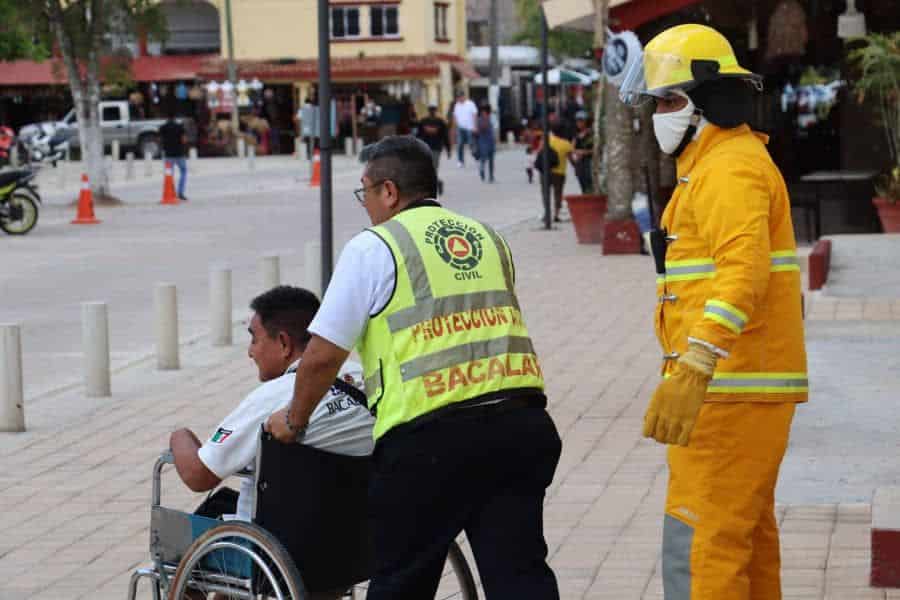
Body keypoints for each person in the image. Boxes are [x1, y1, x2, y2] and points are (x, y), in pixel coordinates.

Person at [267, 136, 562, 599]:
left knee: (402, 581)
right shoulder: (488, 238)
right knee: (519, 578)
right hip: (521, 428)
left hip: (429, 442)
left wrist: (293, 419)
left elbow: (322, 355)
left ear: (388, 191)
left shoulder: (374, 247)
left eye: (364, 192)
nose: (364, 205)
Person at [619, 24, 808, 600]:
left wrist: (697, 362)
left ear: (708, 102)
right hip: (734, 387)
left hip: (729, 388)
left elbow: (743, 271)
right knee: (743, 537)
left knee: (703, 542)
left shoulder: (729, 168)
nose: (660, 115)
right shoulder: (715, 166)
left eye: (670, 101)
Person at [169, 285, 375, 527]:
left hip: (276, 541)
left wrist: (178, 436)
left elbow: (198, 476)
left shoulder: (274, 397)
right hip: (357, 536)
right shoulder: (365, 379)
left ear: (284, 343)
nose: (250, 352)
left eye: (254, 339)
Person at [537, 123, 574, 222]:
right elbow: (571, 159)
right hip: (559, 172)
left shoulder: (547, 140)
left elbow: (539, 151)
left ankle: (547, 213)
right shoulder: (566, 144)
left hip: (545, 171)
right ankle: (556, 214)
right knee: (558, 194)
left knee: (545, 193)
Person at [416, 102, 451, 195]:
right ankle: (436, 184)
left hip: (436, 148)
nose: (432, 111)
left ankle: (435, 186)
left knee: (433, 168)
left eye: (433, 109)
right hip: (425, 148)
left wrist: (448, 149)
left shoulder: (440, 122)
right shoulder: (423, 121)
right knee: (427, 169)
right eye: (430, 109)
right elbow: (418, 136)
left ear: (435, 110)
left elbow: (445, 136)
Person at [159, 110, 188, 201]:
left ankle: (171, 192)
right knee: (183, 171)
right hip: (179, 153)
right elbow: (184, 140)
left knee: (169, 175)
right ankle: (180, 192)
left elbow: (159, 139)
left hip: (168, 154)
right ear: (175, 118)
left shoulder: (163, 127)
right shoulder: (180, 127)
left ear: (166, 118)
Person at [451, 90, 478, 167]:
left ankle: (476, 156)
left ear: (464, 96)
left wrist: (475, 126)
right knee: (459, 145)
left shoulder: (470, 104)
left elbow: (474, 115)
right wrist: (455, 128)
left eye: (460, 97)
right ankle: (460, 161)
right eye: (458, 97)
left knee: (471, 144)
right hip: (460, 128)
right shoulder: (457, 105)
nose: (459, 98)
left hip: (470, 127)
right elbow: (455, 116)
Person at [571, 111, 594, 193]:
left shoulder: (591, 134)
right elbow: (572, 148)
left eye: (581, 121)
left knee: (589, 181)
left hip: (589, 162)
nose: (579, 123)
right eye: (577, 121)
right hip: (579, 163)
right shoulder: (576, 134)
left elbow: (595, 150)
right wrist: (577, 152)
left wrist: (584, 152)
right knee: (582, 181)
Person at [474, 103, 496, 183]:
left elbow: (493, 130)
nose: (484, 113)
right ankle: (482, 169)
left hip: (490, 140)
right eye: (483, 111)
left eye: (485, 111)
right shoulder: (480, 119)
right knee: (484, 158)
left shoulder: (490, 118)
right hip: (483, 140)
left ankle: (491, 176)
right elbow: (479, 130)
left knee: (491, 159)